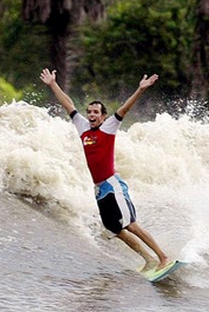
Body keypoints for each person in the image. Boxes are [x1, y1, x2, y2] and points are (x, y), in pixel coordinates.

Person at [39, 68, 171, 273]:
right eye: (89, 112)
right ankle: (149, 260)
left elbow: (125, 108)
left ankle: (163, 257)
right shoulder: (83, 127)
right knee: (115, 229)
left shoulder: (109, 127)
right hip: (99, 189)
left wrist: (140, 89)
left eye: (95, 112)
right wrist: (53, 84)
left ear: (103, 116)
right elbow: (68, 105)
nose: (91, 115)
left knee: (131, 225)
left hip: (112, 184)